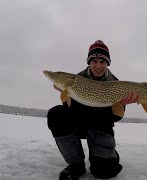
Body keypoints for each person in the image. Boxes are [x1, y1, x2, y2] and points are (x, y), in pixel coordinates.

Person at [47, 40, 140, 180]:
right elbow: (69, 110)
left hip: (101, 126)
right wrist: (66, 93)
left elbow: (116, 117)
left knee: (105, 172)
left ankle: (107, 157)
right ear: (89, 62)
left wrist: (122, 103)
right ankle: (76, 165)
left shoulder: (115, 83)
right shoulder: (77, 80)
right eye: (94, 61)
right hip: (80, 123)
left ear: (107, 63)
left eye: (102, 62)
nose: (98, 66)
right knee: (57, 114)